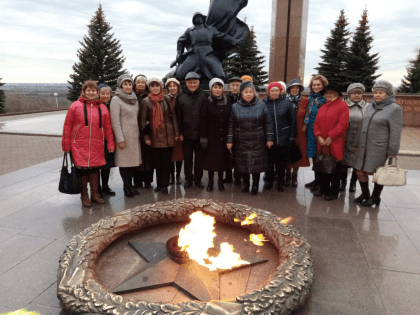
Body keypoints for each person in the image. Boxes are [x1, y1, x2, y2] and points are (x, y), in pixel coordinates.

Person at [62, 80, 115, 207]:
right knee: (82, 171)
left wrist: (110, 144)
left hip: (97, 145)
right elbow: (67, 127)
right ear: (84, 92)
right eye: (88, 90)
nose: (91, 93)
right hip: (79, 145)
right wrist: (66, 146)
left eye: (93, 90)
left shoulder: (102, 108)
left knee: (95, 170)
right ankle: (84, 196)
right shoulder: (75, 106)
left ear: (97, 92)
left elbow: (108, 127)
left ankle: (95, 194)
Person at [353, 80, 403, 207]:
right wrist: (356, 142)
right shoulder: (370, 106)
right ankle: (365, 194)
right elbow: (362, 125)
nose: (377, 95)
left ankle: (376, 197)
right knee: (359, 170)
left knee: (379, 172)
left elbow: (395, 132)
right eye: (375, 92)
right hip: (363, 145)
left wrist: (393, 151)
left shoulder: (394, 109)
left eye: (381, 92)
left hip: (379, 148)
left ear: (388, 94)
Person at [227, 80, 274, 195]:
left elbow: (268, 123)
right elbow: (231, 125)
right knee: (243, 163)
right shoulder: (235, 107)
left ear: (254, 93)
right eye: (246, 92)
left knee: (256, 164)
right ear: (241, 93)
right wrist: (229, 141)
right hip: (241, 140)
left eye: (251, 92)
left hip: (257, 139)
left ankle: (255, 185)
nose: (248, 94)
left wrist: (270, 138)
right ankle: (246, 183)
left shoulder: (261, 105)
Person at [175, 12, 245, 81]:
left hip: (208, 54)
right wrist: (179, 53)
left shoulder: (211, 29)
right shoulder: (189, 31)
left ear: (203, 18)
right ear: (193, 20)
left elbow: (222, 36)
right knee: (179, 75)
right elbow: (180, 41)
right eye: (196, 17)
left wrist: (235, 41)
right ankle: (178, 69)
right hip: (194, 55)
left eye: (200, 17)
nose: (198, 19)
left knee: (220, 76)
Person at [141, 78, 179, 194]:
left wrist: (176, 133)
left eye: (157, 85)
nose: (155, 88)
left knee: (167, 163)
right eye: (152, 86)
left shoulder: (166, 99)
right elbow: (143, 121)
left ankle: (165, 185)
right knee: (157, 163)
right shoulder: (146, 101)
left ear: (161, 87)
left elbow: (174, 117)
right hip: (155, 136)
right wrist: (146, 137)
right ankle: (158, 184)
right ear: (150, 88)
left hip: (168, 135)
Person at [313, 84, 349, 200]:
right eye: (327, 93)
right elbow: (316, 123)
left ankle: (333, 192)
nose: (328, 95)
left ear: (337, 94)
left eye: (331, 93)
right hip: (322, 142)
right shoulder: (322, 107)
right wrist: (318, 136)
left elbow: (342, 125)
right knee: (323, 166)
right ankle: (324, 189)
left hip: (334, 142)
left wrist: (330, 137)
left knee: (335, 168)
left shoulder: (342, 106)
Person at [110, 74, 142, 198]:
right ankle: (126, 187)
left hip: (134, 137)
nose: (128, 86)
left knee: (132, 163)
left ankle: (130, 185)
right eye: (125, 84)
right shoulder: (116, 100)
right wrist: (120, 138)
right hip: (124, 137)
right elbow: (115, 121)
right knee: (124, 164)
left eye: (129, 84)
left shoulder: (133, 99)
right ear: (121, 85)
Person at [175, 72, 208, 188]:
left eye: (194, 82)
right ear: (186, 83)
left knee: (199, 159)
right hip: (186, 134)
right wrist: (179, 132)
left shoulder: (204, 96)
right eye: (190, 82)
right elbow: (177, 116)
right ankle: (188, 179)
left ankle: (198, 180)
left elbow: (207, 116)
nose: (192, 84)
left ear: (198, 83)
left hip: (200, 134)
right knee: (188, 159)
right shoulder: (180, 96)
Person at [200, 78, 232, 191]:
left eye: (219, 87)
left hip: (223, 136)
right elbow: (203, 120)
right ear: (211, 88)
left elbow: (230, 119)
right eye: (215, 87)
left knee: (222, 161)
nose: (217, 90)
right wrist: (203, 138)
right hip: (211, 136)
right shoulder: (206, 101)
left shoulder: (227, 101)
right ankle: (210, 182)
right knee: (211, 161)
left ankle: (220, 182)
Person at [263, 82, 295, 192]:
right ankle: (269, 180)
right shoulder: (264, 103)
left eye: (277, 90)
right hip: (269, 138)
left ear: (280, 91)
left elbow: (292, 120)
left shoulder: (287, 102)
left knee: (281, 162)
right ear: (269, 92)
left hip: (283, 137)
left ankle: (281, 182)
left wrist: (291, 136)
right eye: (272, 90)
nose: (274, 92)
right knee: (269, 161)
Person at [341, 83, 369, 192]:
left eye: (359, 93)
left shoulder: (368, 106)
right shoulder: (343, 105)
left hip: (360, 139)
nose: (356, 95)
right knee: (343, 162)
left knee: (357, 164)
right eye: (354, 93)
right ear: (349, 94)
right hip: (346, 138)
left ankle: (353, 183)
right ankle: (343, 183)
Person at [303, 74, 328, 193]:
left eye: (319, 84)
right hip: (311, 131)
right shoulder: (312, 98)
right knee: (314, 156)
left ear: (323, 86)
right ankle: (316, 179)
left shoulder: (325, 99)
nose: (316, 86)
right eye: (314, 85)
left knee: (320, 157)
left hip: (321, 132)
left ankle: (321, 182)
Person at [285, 79, 310, 187]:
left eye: (297, 88)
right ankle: (287, 175)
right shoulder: (285, 100)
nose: (295, 90)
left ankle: (294, 175)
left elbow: (308, 114)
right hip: (287, 130)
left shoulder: (305, 101)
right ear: (289, 89)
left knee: (298, 153)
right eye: (292, 88)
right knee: (287, 152)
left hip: (300, 130)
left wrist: (305, 124)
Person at [133, 74, 154, 189]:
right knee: (137, 156)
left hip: (148, 130)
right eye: (138, 82)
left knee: (148, 157)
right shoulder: (131, 96)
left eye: (142, 82)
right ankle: (137, 181)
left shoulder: (149, 97)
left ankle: (148, 180)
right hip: (134, 130)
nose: (140, 84)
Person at [98, 83, 116, 196]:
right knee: (96, 166)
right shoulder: (95, 106)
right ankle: (97, 187)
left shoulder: (113, 105)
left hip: (109, 139)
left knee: (107, 165)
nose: (105, 95)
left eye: (107, 93)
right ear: (98, 94)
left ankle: (105, 185)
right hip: (97, 139)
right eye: (103, 93)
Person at [224, 76, 243, 184]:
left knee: (238, 154)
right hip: (228, 129)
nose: (235, 87)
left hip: (240, 129)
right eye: (233, 85)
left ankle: (237, 176)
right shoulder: (226, 98)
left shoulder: (243, 97)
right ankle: (228, 176)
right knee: (227, 155)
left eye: (237, 85)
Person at [165, 78, 184, 185]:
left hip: (181, 129)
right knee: (171, 155)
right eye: (170, 86)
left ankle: (178, 175)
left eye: (174, 86)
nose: (172, 88)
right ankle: (171, 175)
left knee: (179, 154)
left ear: (178, 87)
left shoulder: (181, 97)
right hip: (170, 130)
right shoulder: (166, 99)